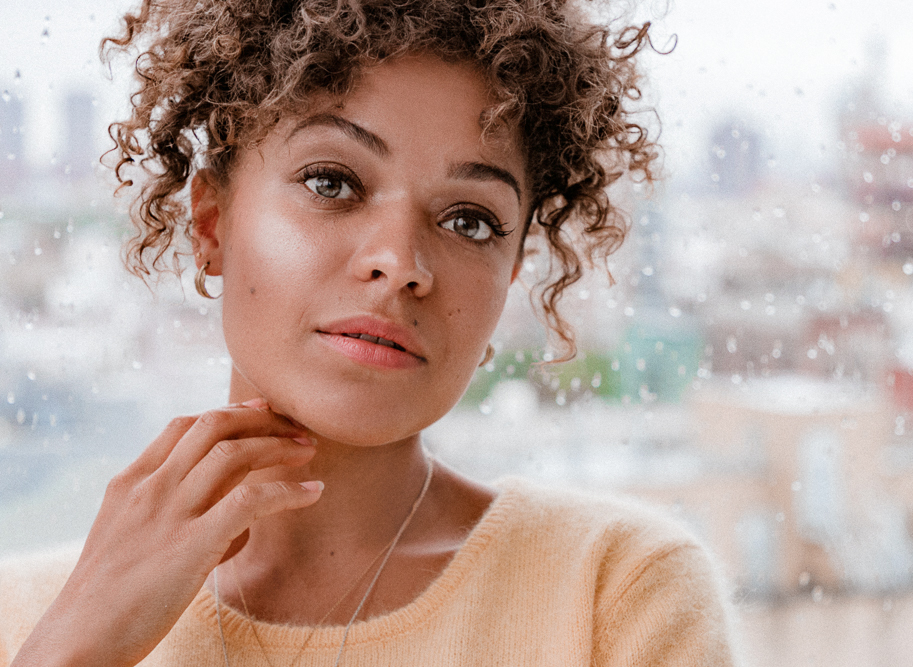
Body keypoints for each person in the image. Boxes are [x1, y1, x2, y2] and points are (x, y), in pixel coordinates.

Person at [2, 1, 738, 665]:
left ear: (510, 277)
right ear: (211, 222)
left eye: (469, 221)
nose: (400, 263)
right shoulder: (29, 617)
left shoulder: (615, 594)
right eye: (332, 182)